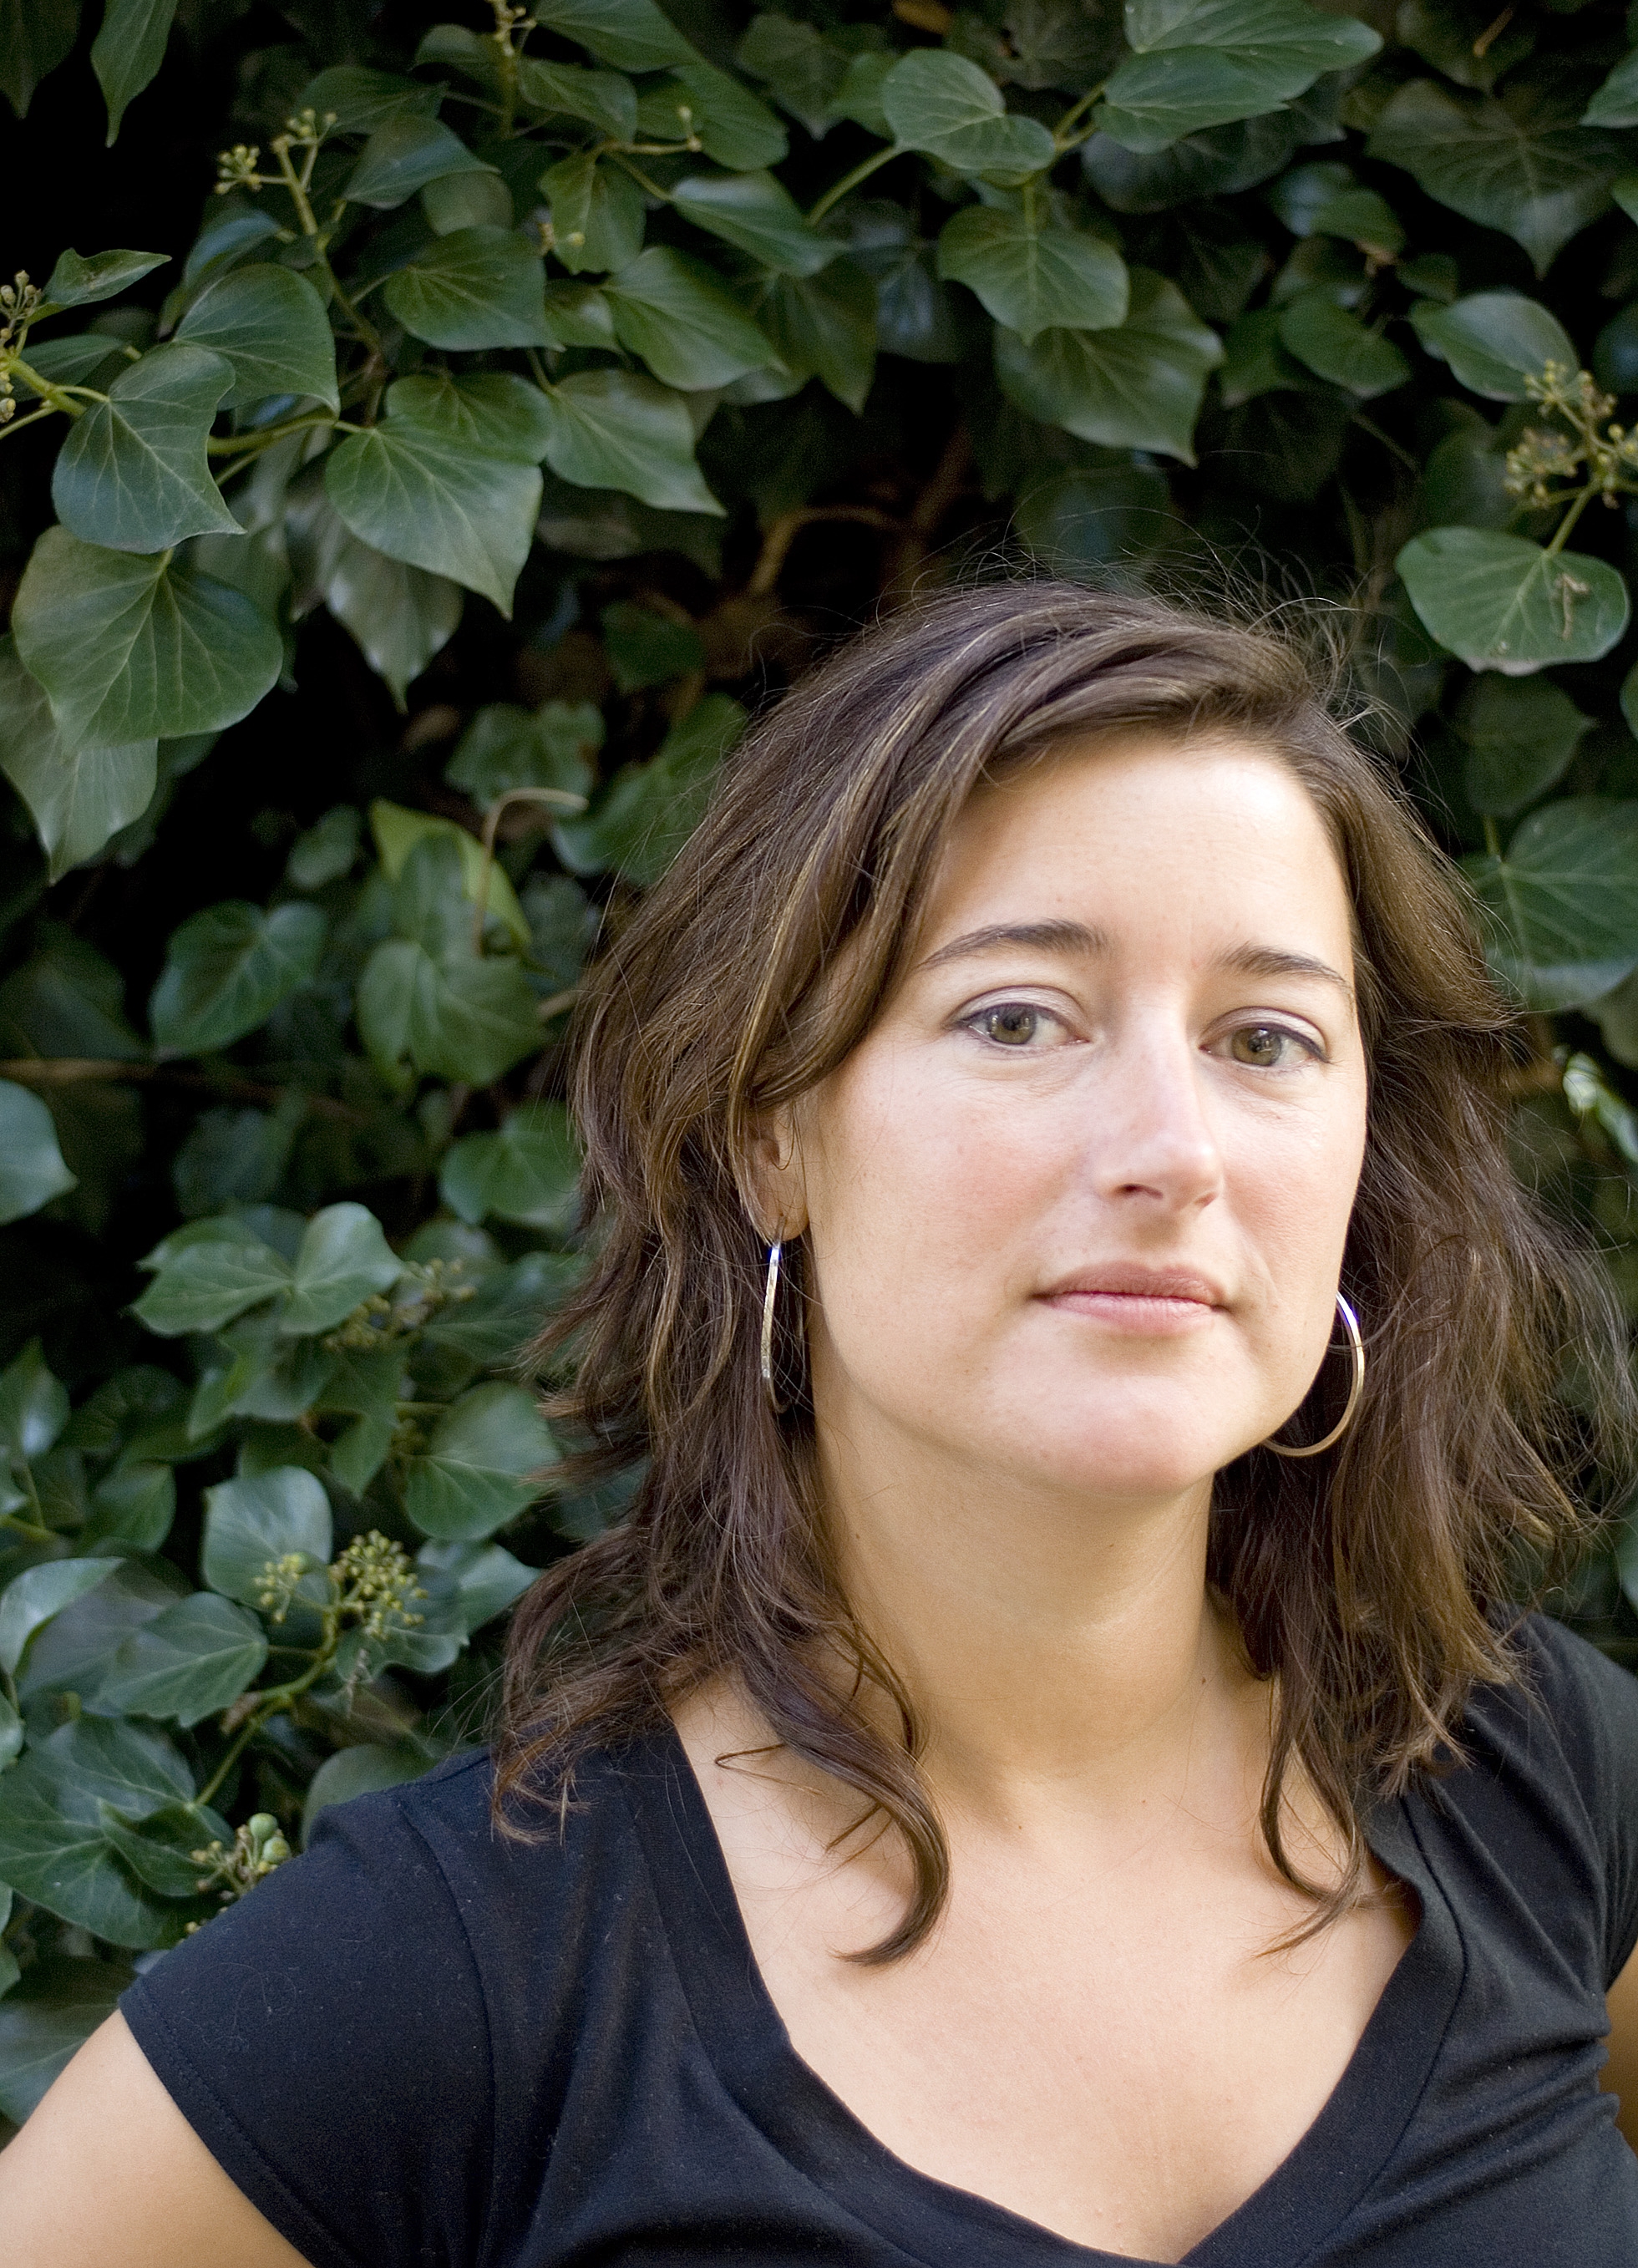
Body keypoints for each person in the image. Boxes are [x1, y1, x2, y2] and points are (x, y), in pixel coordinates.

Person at [5, 581, 1638, 2268]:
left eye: (1266, 1039)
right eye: (1017, 1017)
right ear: (772, 1135)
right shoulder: (468, 1967)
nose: (1176, 1149)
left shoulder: (1537, 1777)